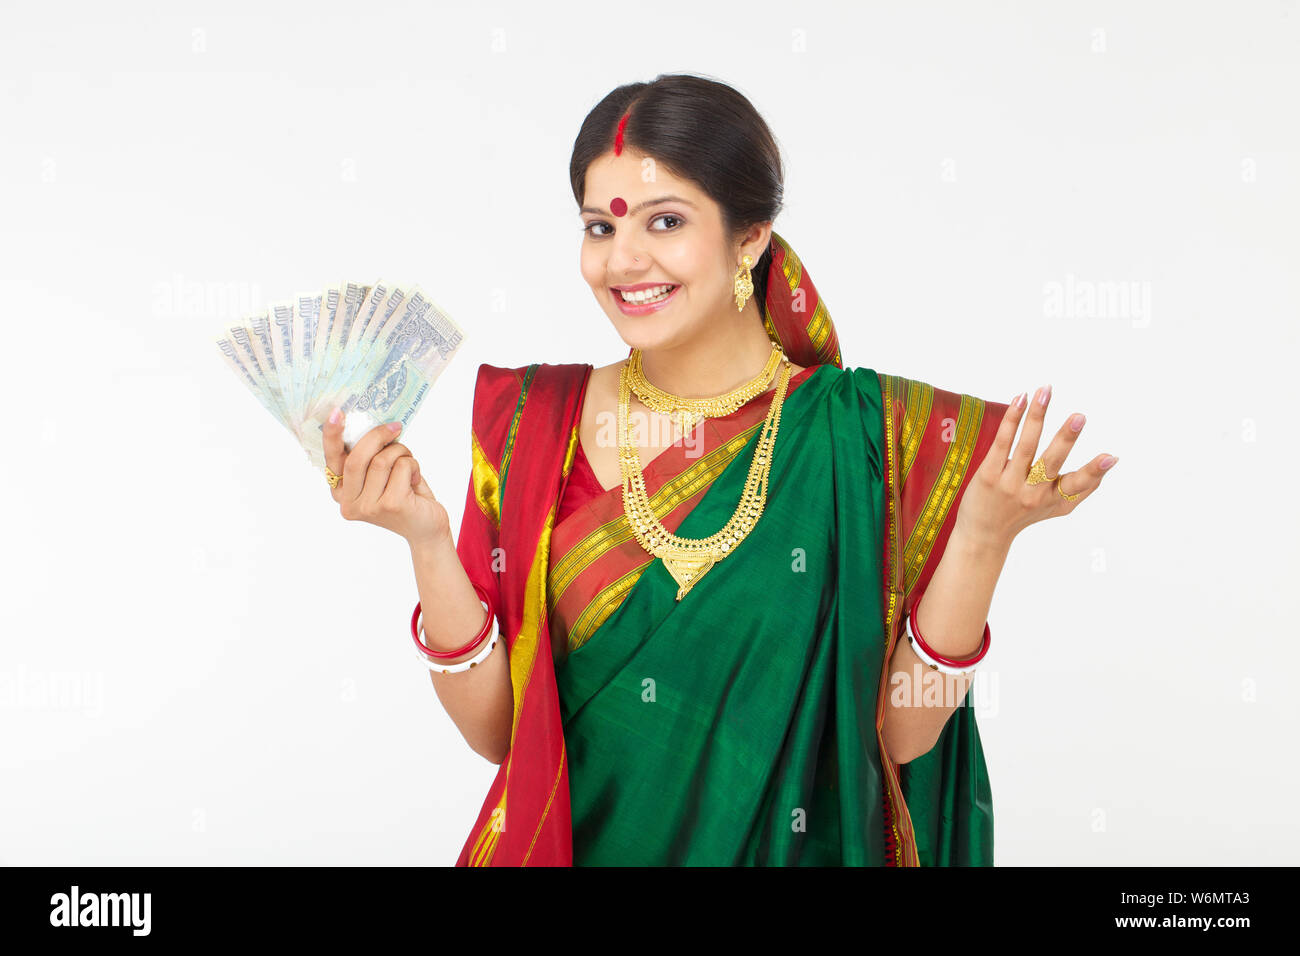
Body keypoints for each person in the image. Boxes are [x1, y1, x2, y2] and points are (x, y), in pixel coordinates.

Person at [321, 73, 1119, 866]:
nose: (622, 260)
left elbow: (901, 735)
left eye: (665, 221)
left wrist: (982, 538)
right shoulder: (534, 423)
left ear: (751, 238)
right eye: (599, 227)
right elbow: (498, 735)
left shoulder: (862, 435)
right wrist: (425, 542)